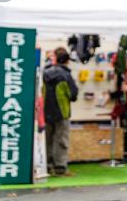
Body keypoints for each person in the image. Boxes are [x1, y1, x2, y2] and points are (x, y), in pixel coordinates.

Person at [43, 47, 79, 176]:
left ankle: (46, 166)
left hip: (44, 112)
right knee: (61, 140)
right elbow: (73, 94)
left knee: (47, 140)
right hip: (62, 112)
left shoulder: (44, 73)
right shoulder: (66, 75)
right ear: (67, 60)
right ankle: (60, 168)